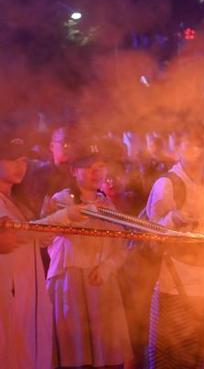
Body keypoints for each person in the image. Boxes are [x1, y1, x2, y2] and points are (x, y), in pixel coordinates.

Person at [45, 140, 132, 369]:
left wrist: (106, 267)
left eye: (101, 166)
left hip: (101, 284)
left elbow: (122, 247)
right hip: (70, 285)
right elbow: (45, 238)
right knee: (75, 356)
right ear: (74, 171)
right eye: (88, 166)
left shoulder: (107, 204)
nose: (96, 172)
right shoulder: (60, 200)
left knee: (107, 357)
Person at [0, 133, 84, 369]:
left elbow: (30, 237)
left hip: (26, 296)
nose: (20, 166)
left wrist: (50, 225)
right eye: (11, 159)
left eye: (24, 160)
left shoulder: (15, 201)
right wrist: (63, 216)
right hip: (9, 299)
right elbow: (17, 234)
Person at [146, 127, 204, 369]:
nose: (196, 152)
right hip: (176, 283)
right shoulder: (167, 184)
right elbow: (151, 231)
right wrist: (172, 219)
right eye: (188, 145)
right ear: (177, 149)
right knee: (173, 358)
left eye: (200, 146)